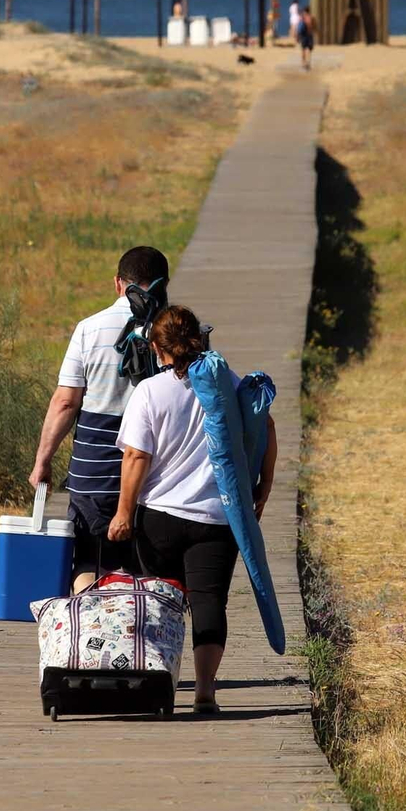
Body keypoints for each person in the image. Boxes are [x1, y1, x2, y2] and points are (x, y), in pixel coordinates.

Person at [108, 305, 277, 713]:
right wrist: (264, 488)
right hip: (217, 519)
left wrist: (123, 513)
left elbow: (135, 457)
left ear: (155, 347)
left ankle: (159, 685)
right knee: (208, 602)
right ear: (200, 338)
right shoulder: (224, 383)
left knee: (161, 602)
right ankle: (204, 690)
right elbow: (265, 426)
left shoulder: (149, 391)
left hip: (159, 519)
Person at [31, 246, 170, 593]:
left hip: (95, 472)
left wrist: (43, 461)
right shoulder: (177, 333)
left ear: (118, 283)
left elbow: (66, 403)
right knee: (148, 570)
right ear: (164, 284)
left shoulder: (89, 329)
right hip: (158, 474)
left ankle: (89, 636)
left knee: (90, 562)